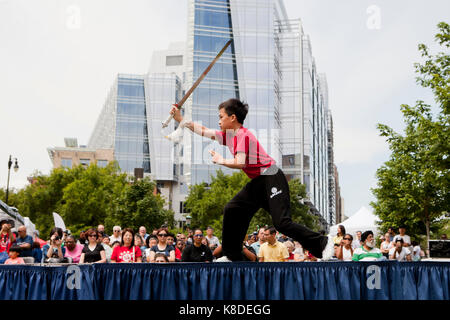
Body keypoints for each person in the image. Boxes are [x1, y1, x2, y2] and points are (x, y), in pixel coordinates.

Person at [170, 99, 328, 261]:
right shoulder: (229, 136)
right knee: (232, 208)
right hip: (259, 182)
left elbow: (240, 162)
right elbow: (203, 130)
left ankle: (323, 243)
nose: (218, 121)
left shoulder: (243, 136)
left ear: (232, 118)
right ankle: (233, 255)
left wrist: (220, 160)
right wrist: (181, 120)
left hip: (272, 176)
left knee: (282, 223)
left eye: (221, 117)